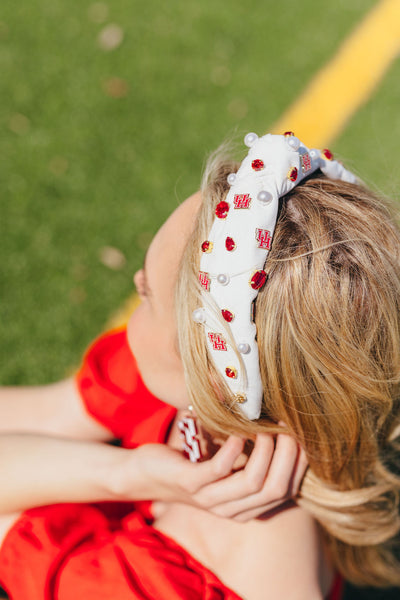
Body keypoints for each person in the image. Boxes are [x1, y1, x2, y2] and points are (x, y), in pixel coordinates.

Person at [0, 132, 399, 600]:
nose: (137, 281)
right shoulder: (200, 387)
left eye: (147, 296)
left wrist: (122, 475)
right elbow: (48, 413)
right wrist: (134, 471)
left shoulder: (169, 584)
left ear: (211, 372)